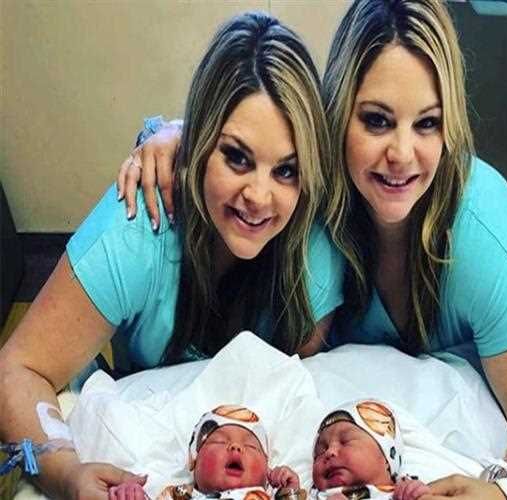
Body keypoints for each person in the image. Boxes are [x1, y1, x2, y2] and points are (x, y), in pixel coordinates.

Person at [118, 1, 507, 498]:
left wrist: (506, 489)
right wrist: (174, 137)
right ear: (336, 116)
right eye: (377, 120)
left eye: (427, 123)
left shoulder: (478, 220)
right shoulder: (309, 191)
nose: (401, 154)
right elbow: (254, 118)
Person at [0, 11, 345, 500]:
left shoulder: (314, 252)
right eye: (237, 157)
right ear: (198, 145)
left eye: (286, 170)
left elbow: (300, 387)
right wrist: (67, 473)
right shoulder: (140, 226)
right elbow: (18, 369)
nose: (259, 196)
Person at [109, 405, 300, 500]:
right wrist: (133, 495)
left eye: (251, 446)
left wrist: (289, 490)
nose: (236, 447)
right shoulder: (178, 495)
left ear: (267, 469)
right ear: (195, 459)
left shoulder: (267, 496)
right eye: (219, 441)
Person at [311, 400, 429, 500]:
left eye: (345, 442)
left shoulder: (403, 492)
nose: (329, 452)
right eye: (320, 452)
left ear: (386, 459)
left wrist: (418, 493)